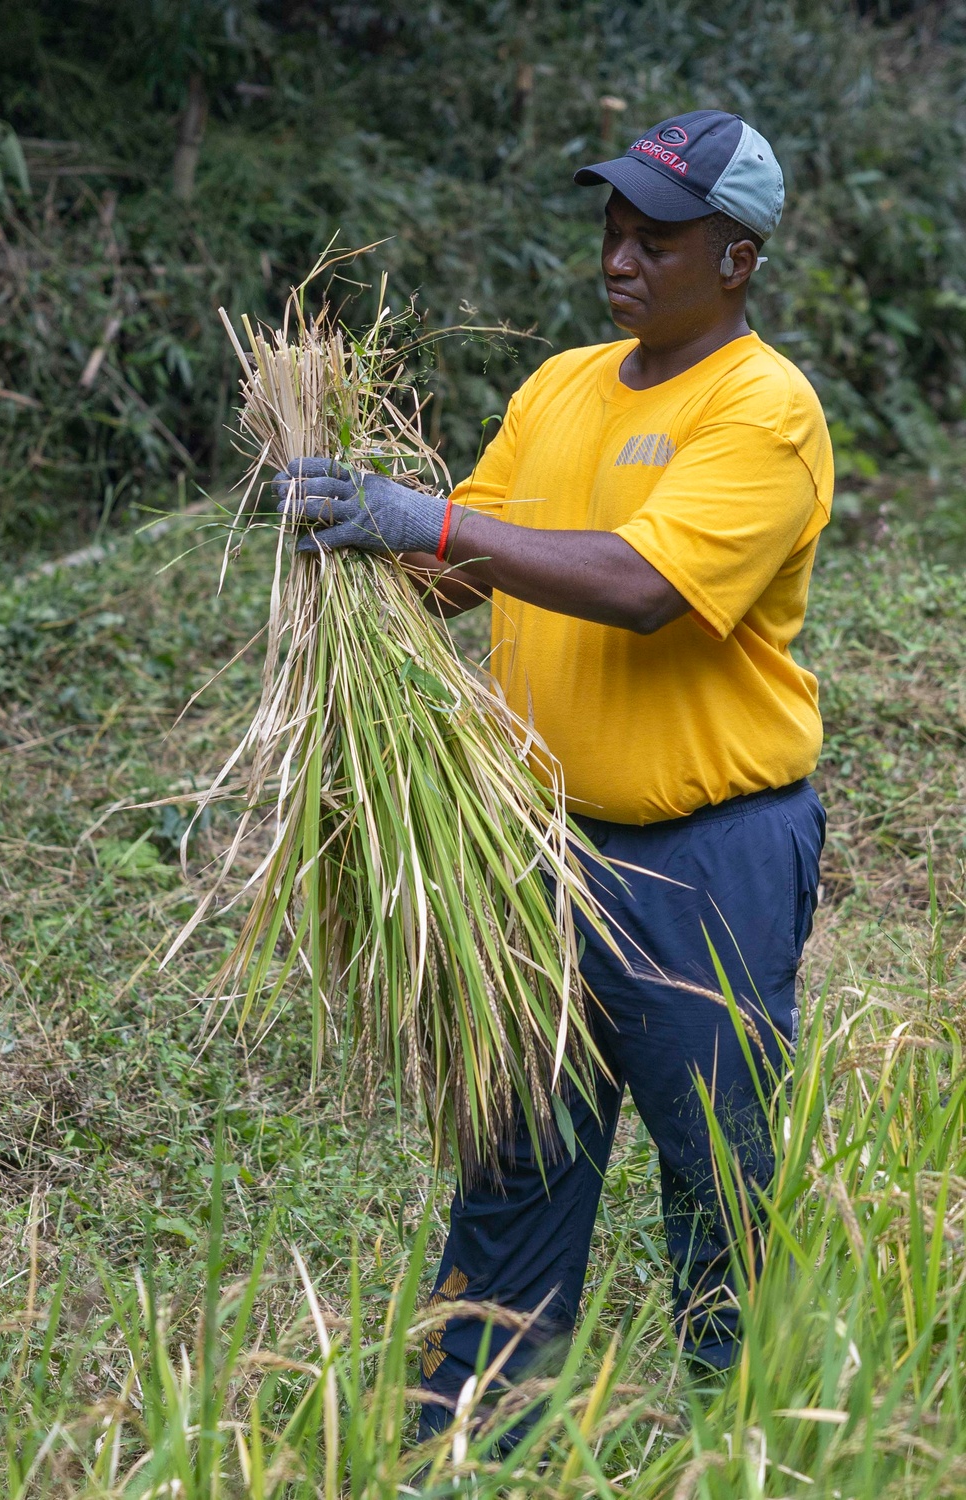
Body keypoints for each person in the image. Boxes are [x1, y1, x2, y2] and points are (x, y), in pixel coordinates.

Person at [273, 109, 832, 1424]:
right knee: (510, 1168)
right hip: (535, 856)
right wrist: (352, 534)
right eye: (612, 225)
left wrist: (432, 515)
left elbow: (643, 588)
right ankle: (469, 1447)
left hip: (706, 862)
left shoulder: (766, 410)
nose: (620, 255)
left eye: (658, 236)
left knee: (722, 1185)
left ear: (737, 258)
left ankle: (749, 1445)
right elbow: (460, 569)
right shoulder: (564, 386)